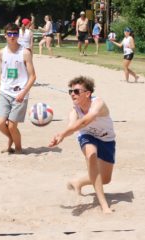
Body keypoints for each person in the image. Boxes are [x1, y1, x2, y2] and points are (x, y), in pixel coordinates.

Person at [49, 76, 116, 213]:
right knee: (91, 155)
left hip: (107, 139)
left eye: (76, 91)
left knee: (105, 179)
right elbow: (72, 126)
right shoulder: (74, 110)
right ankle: (104, 205)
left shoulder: (98, 103)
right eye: (71, 91)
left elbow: (85, 121)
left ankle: (78, 182)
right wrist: (60, 136)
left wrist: (63, 134)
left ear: (87, 93)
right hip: (87, 136)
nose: (72, 94)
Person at [0, 23, 36, 154]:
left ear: (18, 35)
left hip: (19, 94)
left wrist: (23, 93)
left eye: (15, 34)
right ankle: (11, 140)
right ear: (5, 35)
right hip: (4, 92)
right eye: (10, 34)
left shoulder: (25, 53)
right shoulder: (1, 53)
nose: (12, 37)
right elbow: (1, 73)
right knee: (0, 123)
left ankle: (18, 148)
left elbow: (33, 76)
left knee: (12, 126)